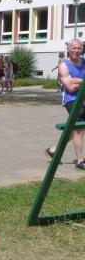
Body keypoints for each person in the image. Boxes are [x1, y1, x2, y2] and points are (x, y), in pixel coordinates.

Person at [45, 39, 85, 171]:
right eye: (74, 48)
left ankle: (53, 150)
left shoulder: (84, 62)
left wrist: (76, 80)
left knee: (74, 129)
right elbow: (70, 87)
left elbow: (74, 83)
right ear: (68, 49)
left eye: (79, 48)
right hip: (72, 100)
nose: (76, 51)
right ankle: (80, 161)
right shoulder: (64, 65)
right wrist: (81, 81)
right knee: (79, 128)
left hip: (83, 98)